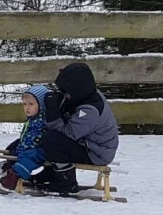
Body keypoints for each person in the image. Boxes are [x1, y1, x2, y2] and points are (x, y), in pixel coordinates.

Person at [34, 61, 121, 193]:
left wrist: (53, 113)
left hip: (96, 153)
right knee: (44, 137)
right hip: (88, 143)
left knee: (52, 139)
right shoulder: (84, 96)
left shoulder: (90, 110)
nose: (63, 94)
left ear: (76, 89)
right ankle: (50, 173)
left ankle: (66, 181)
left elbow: (67, 134)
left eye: (65, 91)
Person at [0, 84, 50, 191]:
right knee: (12, 149)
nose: (27, 108)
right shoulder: (33, 118)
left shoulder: (42, 121)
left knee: (26, 157)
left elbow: (36, 139)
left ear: (42, 105)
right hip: (29, 147)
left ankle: (11, 179)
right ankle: (7, 168)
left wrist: (23, 148)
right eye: (24, 104)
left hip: (38, 150)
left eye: (31, 104)